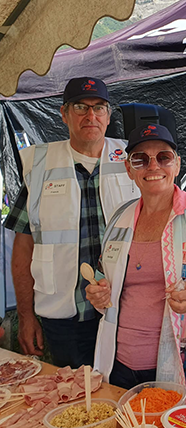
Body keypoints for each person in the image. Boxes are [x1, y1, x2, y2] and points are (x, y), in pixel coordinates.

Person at [86, 122, 186, 413]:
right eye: (140, 159)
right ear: (129, 169)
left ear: (177, 165)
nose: (153, 166)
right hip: (119, 364)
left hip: (182, 364)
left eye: (163, 157)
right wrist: (98, 293)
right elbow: (103, 275)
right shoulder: (119, 217)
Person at [4, 77, 140, 367]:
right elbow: (23, 247)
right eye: (80, 107)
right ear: (64, 114)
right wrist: (26, 316)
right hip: (65, 317)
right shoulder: (40, 166)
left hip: (126, 307)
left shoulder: (136, 159)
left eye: (99, 107)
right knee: (75, 390)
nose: (91, 116)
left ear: (108, 116)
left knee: (126, 389)